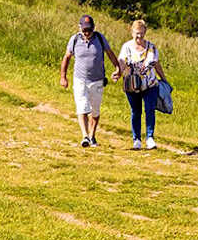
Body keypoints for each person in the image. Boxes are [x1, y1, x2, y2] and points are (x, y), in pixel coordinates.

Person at [61, 12, 113, 147]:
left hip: (97, 80)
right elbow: (66, 58)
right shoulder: (75, 40)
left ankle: (92, 135)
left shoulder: (100, 39)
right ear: (79, 28)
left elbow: (110, 53)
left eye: (89, 29)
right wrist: (63, 77)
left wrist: (118, 69)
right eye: (84, 30)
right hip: (80, 79)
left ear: (93, 28)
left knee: (95, 111)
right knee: (82, 107)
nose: (87, 32)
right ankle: (85, 136)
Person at [117, 18, 164, 150]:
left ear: (145, 32)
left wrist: (164, 78)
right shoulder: (126, 47)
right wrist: (118, 73)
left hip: (150, 85)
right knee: (136, 112)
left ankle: (150, 137)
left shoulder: (151, 47)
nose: (139, 36)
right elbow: (122, 62)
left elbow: (156, 63)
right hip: (132, 85)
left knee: (150, 110)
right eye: (137, 33)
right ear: (132, 32)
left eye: (142, 33)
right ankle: (136, 139)